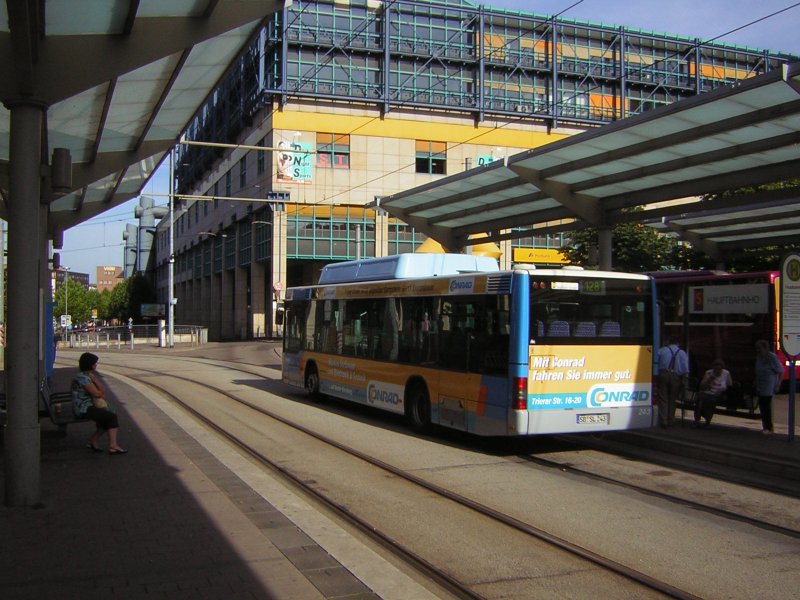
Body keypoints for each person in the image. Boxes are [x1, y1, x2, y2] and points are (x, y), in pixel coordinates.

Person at [72, 352, 127, 454]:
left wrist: (96, 381)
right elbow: (97, 394)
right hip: (82, 408)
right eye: (95, 363)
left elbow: (101, 391)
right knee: (110, 417)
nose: (96, 365)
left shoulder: (88, 376)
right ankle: (112, 445)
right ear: (90, 365)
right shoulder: (82, 378)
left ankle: (95, 441)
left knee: (108, 415)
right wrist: (100, 392)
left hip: (88, 405)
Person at [657, 335, 689, 427]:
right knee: (672, 399)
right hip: (676, 376)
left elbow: (656, 361)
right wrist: (683, 380)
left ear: (669, 342)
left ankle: (664, 420)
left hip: (664, 374)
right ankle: (671, 420)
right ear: (677, 343)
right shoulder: (682, 353)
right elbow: (685, 369)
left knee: (663, 398)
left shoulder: (662, 350)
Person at [754, 339, 783, 435]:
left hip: (769, 385)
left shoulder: (772, 357)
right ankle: (765, 426)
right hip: (761, 385)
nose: (758, 351)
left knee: (766, 406)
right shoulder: (759, 357)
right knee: (762, 406)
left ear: (765, 348)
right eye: (757, 349)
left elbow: (781, 371)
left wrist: (778, 384)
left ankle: (768, 427)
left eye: (760, 348)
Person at [693, 358, 733, 427]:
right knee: (699, 399)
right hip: (707, 392)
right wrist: (710, 379)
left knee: (711, 401)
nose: (717, 371)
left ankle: (707, 420)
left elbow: (730, 386)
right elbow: (701, 386)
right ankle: (697, 419)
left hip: (718, 394)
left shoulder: (726, 373)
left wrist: (725, 392)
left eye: (719, 369)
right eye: (715, 369)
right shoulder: (709, 373)